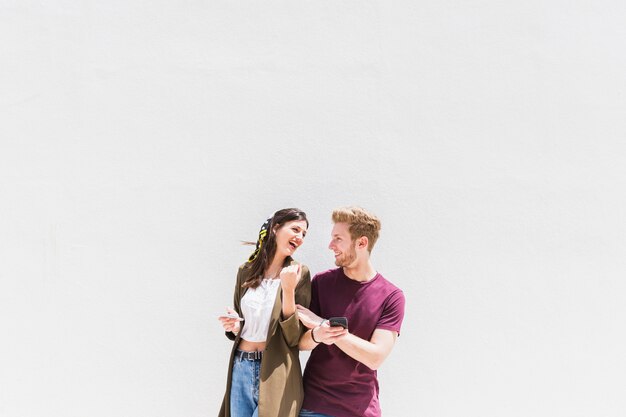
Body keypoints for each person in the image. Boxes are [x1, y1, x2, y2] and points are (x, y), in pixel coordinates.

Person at [296, 206, 405, 417]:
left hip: (360, 410)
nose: (331, 245)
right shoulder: (321, 282)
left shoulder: (391, 296)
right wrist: (318, 333)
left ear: (361, 243)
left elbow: (375, 357)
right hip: (314, 406)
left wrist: (324, 325)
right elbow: (301, 342)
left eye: (338, 238)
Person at [218, 208, 312, 417]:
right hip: (240, 366)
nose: (300, 237)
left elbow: (294, 336)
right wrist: (236, 326)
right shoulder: (246, 270)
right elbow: (242, 321)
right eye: (295, 229)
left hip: (275, 370)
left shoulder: (300, 273)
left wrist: (288, 290)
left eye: (304, 234)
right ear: (275, 228)